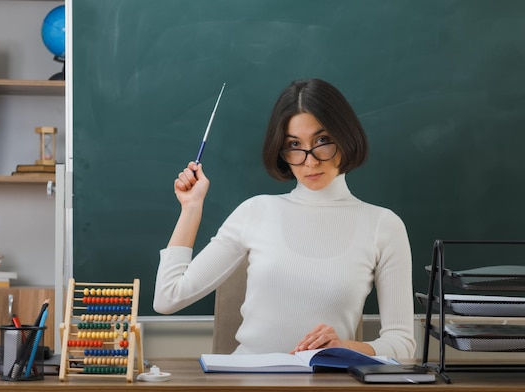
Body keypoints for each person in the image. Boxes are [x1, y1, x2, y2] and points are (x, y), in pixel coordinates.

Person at [153, 78, 416, 358]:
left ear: (346, 137)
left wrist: (347, 347)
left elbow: (403, 344)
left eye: (322, 141)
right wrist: (191, 208)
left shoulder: (383, 226)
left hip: (327, 385)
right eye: (294, 144)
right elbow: (168, 298)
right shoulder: (255, 212)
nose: (310, 161)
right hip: (247, 385)